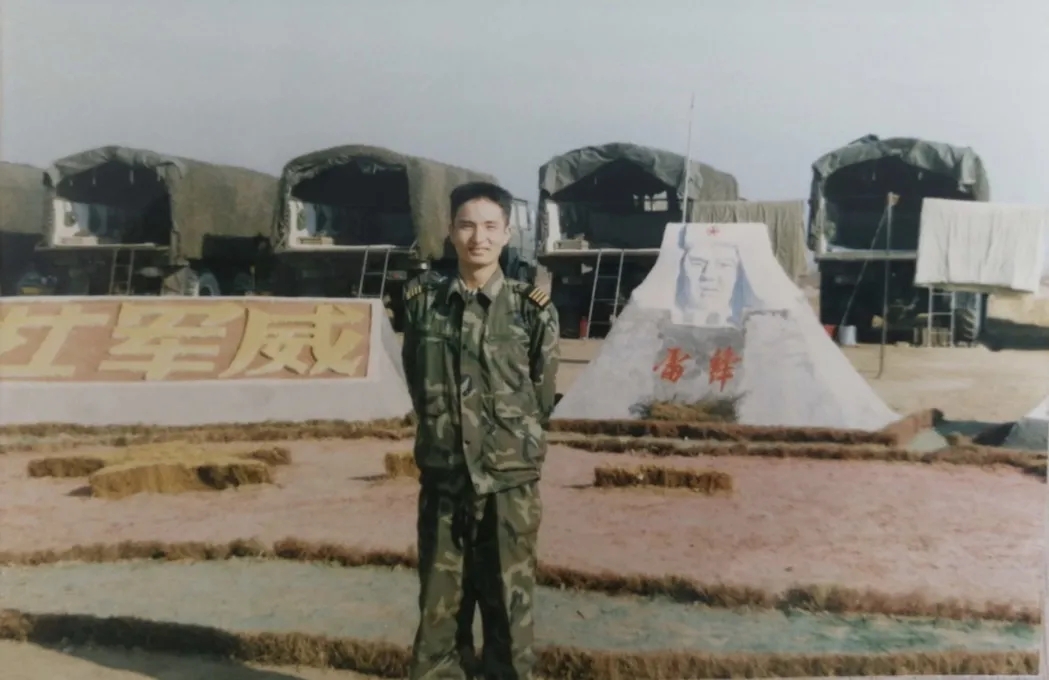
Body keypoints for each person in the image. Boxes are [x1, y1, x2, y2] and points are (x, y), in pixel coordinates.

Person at [401, 181, 560, 680]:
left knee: (510, 617)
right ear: (450, 232)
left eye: (491, 227)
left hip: (508, 486)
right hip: (445, 481)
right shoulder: (423, 304)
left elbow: (541, 396)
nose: (478, 238)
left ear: (507, 233)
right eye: (467, 226)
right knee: (438, 616)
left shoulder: (531, 309)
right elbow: (416, 380)